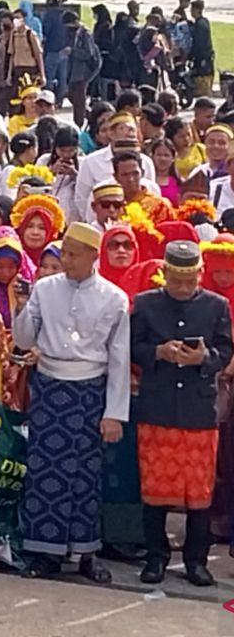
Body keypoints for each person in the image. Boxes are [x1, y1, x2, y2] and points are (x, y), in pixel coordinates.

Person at [14, 222, 130, 583]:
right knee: (45, 470)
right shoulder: (44, 289)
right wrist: (21, 307)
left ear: (94, 256)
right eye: (63, 252)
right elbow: (23, 338)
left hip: (90, 390)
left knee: (85, 474)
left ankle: (84, 553)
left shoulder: (115, 298)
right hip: (50, 387)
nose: (65, 260)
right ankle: (43, 553)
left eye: (73, 254)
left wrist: (114, 413)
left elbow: (120, 359)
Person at [130, 240, 232, 587]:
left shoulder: (216, 306)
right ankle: (156, 557)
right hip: (157, 408)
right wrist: (158, 352)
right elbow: (132, 347)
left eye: (190, 282)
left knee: (199, 493)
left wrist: (203, 359)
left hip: (198, 410)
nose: (183, 288)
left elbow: (224, 348)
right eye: (176, 281)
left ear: (199, 276)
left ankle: (196, 561)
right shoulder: (145, 305)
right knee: (155, 491)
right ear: (166, 274)